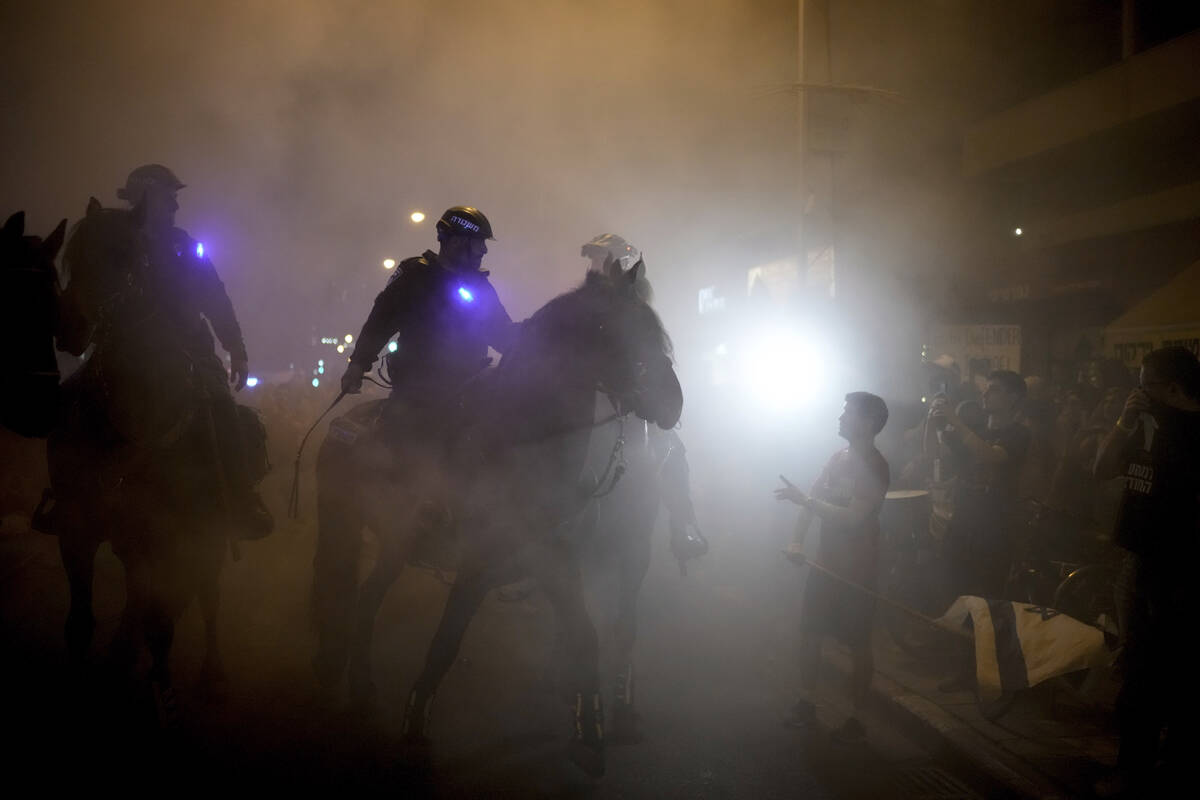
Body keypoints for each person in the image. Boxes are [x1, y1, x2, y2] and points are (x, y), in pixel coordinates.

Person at [117, 164, 271, 537]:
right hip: (123, 347)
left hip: (190, 351)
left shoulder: (184, 245)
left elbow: (215, 298)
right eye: (167, 199)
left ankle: (239, 497)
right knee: (79, 399)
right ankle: (66, 496)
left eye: (173, 199)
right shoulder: (114, 241)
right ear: (145, 200)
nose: (174, 207)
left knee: (223, 409)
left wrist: (236, 349)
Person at [1092, 347, 1200, 797]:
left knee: (1166, 672)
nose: (1137, 393)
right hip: (1137, 561)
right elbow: (1100, 469)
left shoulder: (1191, 433)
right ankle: (1135, 768)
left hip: (1179, 568)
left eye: (1145, 384)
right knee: (1139, 666)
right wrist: (1123, 422)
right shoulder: (1141, 425)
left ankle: (1155, 771)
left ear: (1172, 387)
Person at [340, 206, 516, 454]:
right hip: (417, 391)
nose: (484, 251)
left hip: (470, 388)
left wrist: (534, 339)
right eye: (478, 244)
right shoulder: (415, 276)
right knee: (400, 454)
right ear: (455, 241)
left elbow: (501, 332)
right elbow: (379, 322)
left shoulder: (480, 286)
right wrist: (357, 364)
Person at [580, 233, 705, 563]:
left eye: (599, 261)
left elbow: (654, 361)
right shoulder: (581, 307)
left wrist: (640, 391)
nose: (592, 268)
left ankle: (684, 524)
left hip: (629, 405)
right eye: (591, 261)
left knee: (673, 451)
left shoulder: (638, 312)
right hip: (585, 398)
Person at [777, 391, 890, 742]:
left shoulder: (875, 466)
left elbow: (855, 518)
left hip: (857, 573)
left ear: (867, 423)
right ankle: (807, 703)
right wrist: (797, 541)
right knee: (810, 634)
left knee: (858, 645)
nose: (840, 418)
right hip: (824, 567)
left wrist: (807, 500)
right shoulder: (837, 457)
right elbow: (809, 500)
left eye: (848, 413)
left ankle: (856, 718)